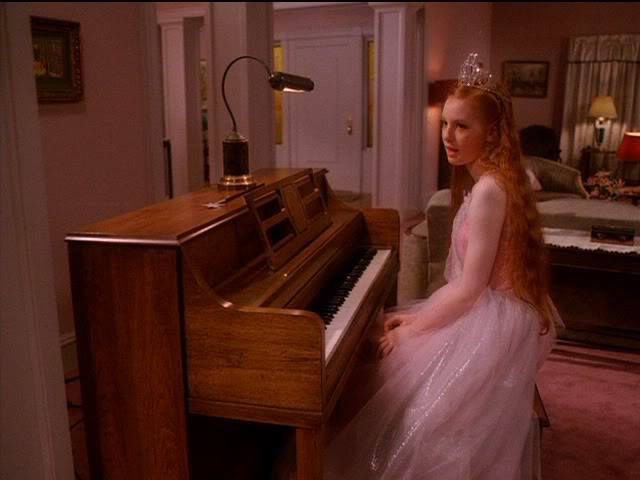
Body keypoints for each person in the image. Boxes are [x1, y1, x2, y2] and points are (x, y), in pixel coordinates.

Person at [325, 53, 559, 480]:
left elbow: (469, 290)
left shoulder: (490, 190)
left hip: (489, 318)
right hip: (487, 307)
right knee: (391, 362)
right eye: (446, 123)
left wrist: (414, 329)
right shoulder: (492, 180)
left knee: (415, 403)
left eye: (462, 126)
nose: (447, 136)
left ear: (492, 132)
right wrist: (417, 321)